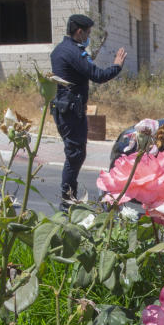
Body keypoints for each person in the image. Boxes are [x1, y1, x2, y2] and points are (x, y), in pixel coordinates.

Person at [50, 13, 127, 210]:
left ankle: (69, 198)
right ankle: (67, 202)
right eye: (88, 33)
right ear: (79, 32)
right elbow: (97, 75)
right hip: (71, 111)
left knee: (75, 154)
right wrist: (117, 66)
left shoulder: (59, 50)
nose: (89, 36)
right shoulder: (74, 52)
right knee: (75, 155)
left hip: (64, 109)